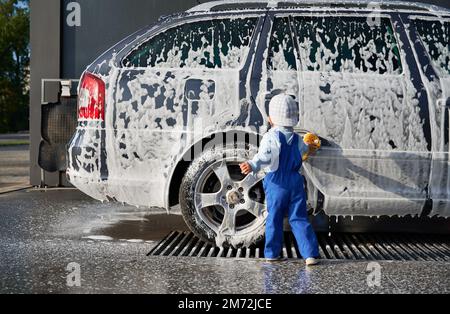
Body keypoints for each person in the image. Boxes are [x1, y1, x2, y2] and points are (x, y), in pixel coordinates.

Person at [240, 94, 321, 266]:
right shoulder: (298, 139)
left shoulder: (271, 137)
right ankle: (310, 255)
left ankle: (272, 253)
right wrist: (312, 146)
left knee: (274, 218)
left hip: (276, 183)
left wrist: (252, 165)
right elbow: (305, 151)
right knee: (299, 218)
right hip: (295, 182)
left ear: (270, 119)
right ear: (295, 119)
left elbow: (263, 157)